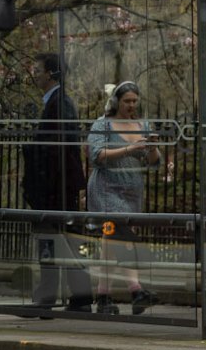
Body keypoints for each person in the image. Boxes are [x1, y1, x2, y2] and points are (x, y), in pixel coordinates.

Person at [22, 52, 92, 313]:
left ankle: (50, 297)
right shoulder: (59, 103)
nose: (35, 74)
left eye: (38, 70)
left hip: (54, 188)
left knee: (51, 242)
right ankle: (76, 296)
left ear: (50, 73)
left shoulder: (59, 105)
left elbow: (56, 152)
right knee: (62, 242)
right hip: (57, 186)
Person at [87, 80, 161, 316]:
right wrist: (129, 149)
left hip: (131, 191)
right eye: (127, 101)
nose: (131, 105)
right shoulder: (103, 124)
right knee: (124, 237)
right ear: (116, 101)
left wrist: (151, 148)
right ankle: (136, 289)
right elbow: (96, 155)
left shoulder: (142, 124)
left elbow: (154, 162)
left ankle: (103, 296)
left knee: (110, 241)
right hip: (107, 188)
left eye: (134, 101)